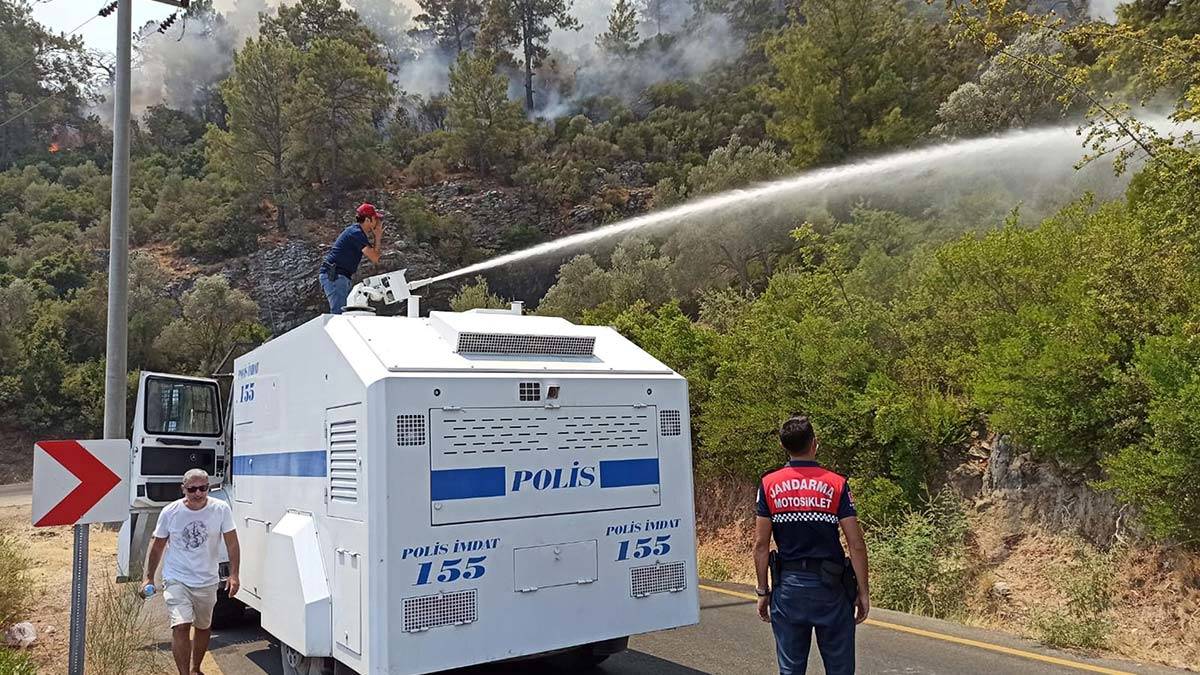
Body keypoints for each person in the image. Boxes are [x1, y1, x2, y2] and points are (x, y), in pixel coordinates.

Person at [754, 415, 869, 675]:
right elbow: (856, 544)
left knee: (791, 669)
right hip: (832, 590)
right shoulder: (836, 484)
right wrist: (863, 591)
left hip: (789, 590)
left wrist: (763, 591)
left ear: (784, 447)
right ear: (815, 443)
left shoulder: (769, 485)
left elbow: (761, 545)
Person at [144, 469, 241, 675]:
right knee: (181, 625)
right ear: (183, 489)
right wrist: (148, 577)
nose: (198, 493)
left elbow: (232, 543)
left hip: (207, 580)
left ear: (208, 487)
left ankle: (196, 668)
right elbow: (158, 545)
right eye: (192, 489)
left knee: (203, 627)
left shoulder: (221, 509)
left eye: (203, 488)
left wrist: (234, 575)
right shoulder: (170, 512)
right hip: (177, 578)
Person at [320, 203, 385, 314]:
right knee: (339, 314)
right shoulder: (356, 233)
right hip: (336, 276)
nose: (378, 222)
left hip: (340, 276)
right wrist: (378, 237)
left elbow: (376, 257)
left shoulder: (357, 233)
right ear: (368, 220)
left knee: (345, 313)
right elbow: (375, 257)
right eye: (375, 219)